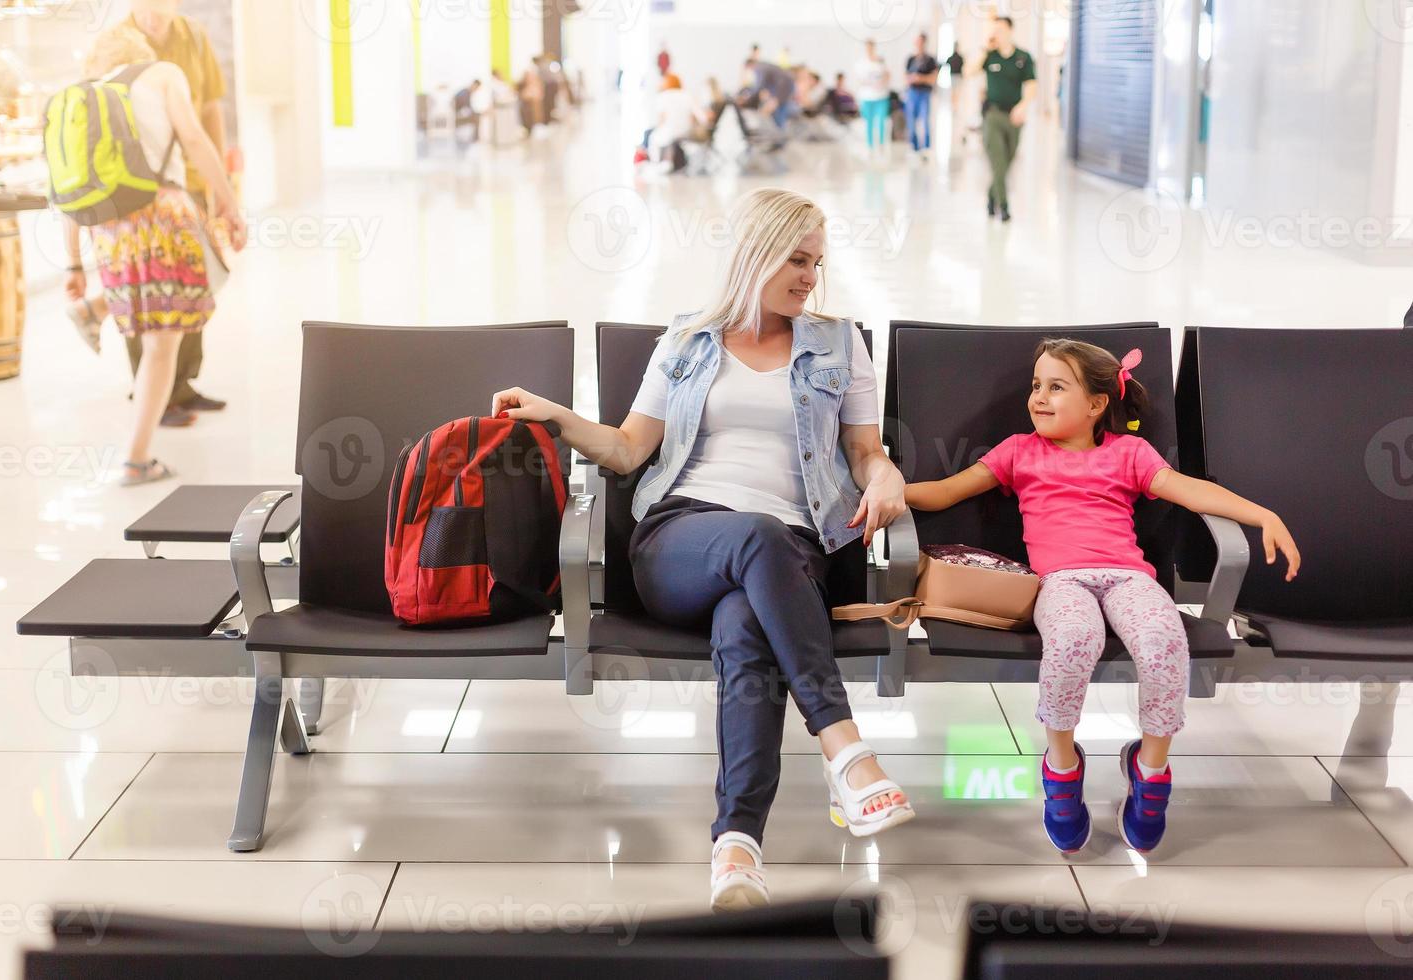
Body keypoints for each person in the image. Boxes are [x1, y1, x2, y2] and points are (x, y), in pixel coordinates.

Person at [491, 189, 915, 911]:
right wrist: (559, 418)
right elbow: (628, 450)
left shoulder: (841, 343)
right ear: (755, 253)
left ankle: (736, 848)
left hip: (794, 552)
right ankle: (844, 745)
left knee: (747, 626)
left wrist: (888, 477)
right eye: (796, 258)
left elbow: (865, 451)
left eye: (818, 261)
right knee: (752, 535)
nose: (811, 275)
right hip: (680, 540)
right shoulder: (688, 341)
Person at [904, 339, 1301, 854]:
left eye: (1056, 387)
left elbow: (1190, 489)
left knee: (1163, 642)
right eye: (1035, 386)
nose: (1038, 398)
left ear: (1096, 405)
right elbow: (945, 491)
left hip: (1129, 578)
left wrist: (1262, 515)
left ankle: (1151, 768)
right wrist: (889, 488)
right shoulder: (1019, 451)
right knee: (1072, 641)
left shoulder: (1128, 452)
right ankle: (1062, 767)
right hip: (1059, 581)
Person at [63, 24, 246, 486]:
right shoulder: (163, 73)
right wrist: (227, 201)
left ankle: (95, 305)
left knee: (176, 309)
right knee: (161, 344)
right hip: (164, 217)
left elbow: (67, 191)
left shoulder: (83, 95)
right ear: (138, 51)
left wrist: (74, 265)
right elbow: (196, 139)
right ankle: (136, 459)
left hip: (110, 230)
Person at [967, 16, 1036, 222]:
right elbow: (969, 71)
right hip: (993, 115)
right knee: (997, 160)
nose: (997, 33)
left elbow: (1032, 85)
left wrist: (1022, 107)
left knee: (1007, 162)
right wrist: (984, 49)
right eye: (994, 29)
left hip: (1014, 117)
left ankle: (991, 196)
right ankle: (1003, 206)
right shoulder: (989, 56)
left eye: (1001, 29)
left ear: (1010, 31)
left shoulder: (1023, 57)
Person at [649, 73, 705, 173]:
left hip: (668, 132)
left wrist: (657, 128)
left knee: (653, 137)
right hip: (685, 132)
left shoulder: (663, 96)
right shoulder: (687, 95)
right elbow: (700, 118)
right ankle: (669, 162)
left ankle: (657, 163)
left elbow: (661, 120)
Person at [903, 33, 939, 157]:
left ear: (924, 43)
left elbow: (933, 79)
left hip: (924, 93)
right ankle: (914, 147)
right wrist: (912, 79)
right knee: (911, 121)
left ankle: (926, 148)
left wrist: (920, 78)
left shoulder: (930, 60)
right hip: (912, 93)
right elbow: (906, 77)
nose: (919, 44)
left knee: (925, 120)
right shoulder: (910, 59)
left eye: (921, 42)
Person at [852, 39, 890, 152]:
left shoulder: (880, 61)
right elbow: (859, 79)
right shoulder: (861, 63)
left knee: (881, 121)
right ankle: (870, 146)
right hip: (867, 97)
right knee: (869, 123)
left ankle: (882, 145)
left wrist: (882, 82)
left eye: (871, 47)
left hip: (881, 96)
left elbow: (887, 75)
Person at [744, 56, 796, 128]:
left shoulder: (759, 68)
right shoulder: (765, 65)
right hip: (786, 85)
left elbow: (759, 85)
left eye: (749, 68)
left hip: (783, 86)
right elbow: (765, 85)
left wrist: (749, 96)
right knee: (779, 110)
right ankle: (780, 129)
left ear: (750, 65)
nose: (751, 70)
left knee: (770, 110)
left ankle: (779, 131)